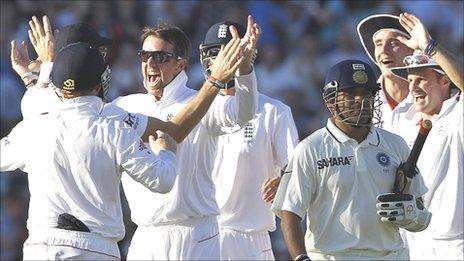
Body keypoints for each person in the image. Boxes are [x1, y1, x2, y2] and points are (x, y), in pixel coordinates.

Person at [1, 42, 178, 260]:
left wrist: (33, 78)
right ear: (99, 84)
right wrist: (166, 151)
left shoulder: (34, 128)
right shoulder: (115, 130)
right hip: (94, 248)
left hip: (41, 247)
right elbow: (163, 180)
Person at [112, 16, 259, 260]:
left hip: (195, 234)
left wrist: (244, 68)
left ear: (180, 65)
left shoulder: (203, 102)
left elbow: (243, 114)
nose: (150, 63)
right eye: (145, 55)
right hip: (146, 235)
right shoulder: (125, 106)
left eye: (160, 57)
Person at [271, 59, 431, 260]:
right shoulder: (311, 148)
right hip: (332, 256)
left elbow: (421, 215)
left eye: (366, 94)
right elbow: (289, 213)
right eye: (351, 94)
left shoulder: (395, 145)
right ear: (330, 100)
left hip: (390, 255)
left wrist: (410, 215)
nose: (360, 101)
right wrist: (300, 258)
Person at [202, 21, 299, 260]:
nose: (226, 60)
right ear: (207, 60)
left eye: (233, 51)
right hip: (200, 237)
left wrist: (283, 182)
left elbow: (298, 173)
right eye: (218, 53)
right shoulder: (194, 110)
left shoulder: (275, 112)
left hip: (250, 239)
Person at [389, 12, 463, 260]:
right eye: (410, 80)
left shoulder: (457, 114)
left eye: (421, 79)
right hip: (410, 245)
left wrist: (431, 47)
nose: (413, 87)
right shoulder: (402, 121)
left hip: (452, 246)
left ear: (445, 81)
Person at [357, 14, 417, 147]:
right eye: (378, 44)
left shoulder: (431, 97)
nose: (383, 50)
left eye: (393, 43)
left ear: (413, 49)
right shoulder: (361, 101)